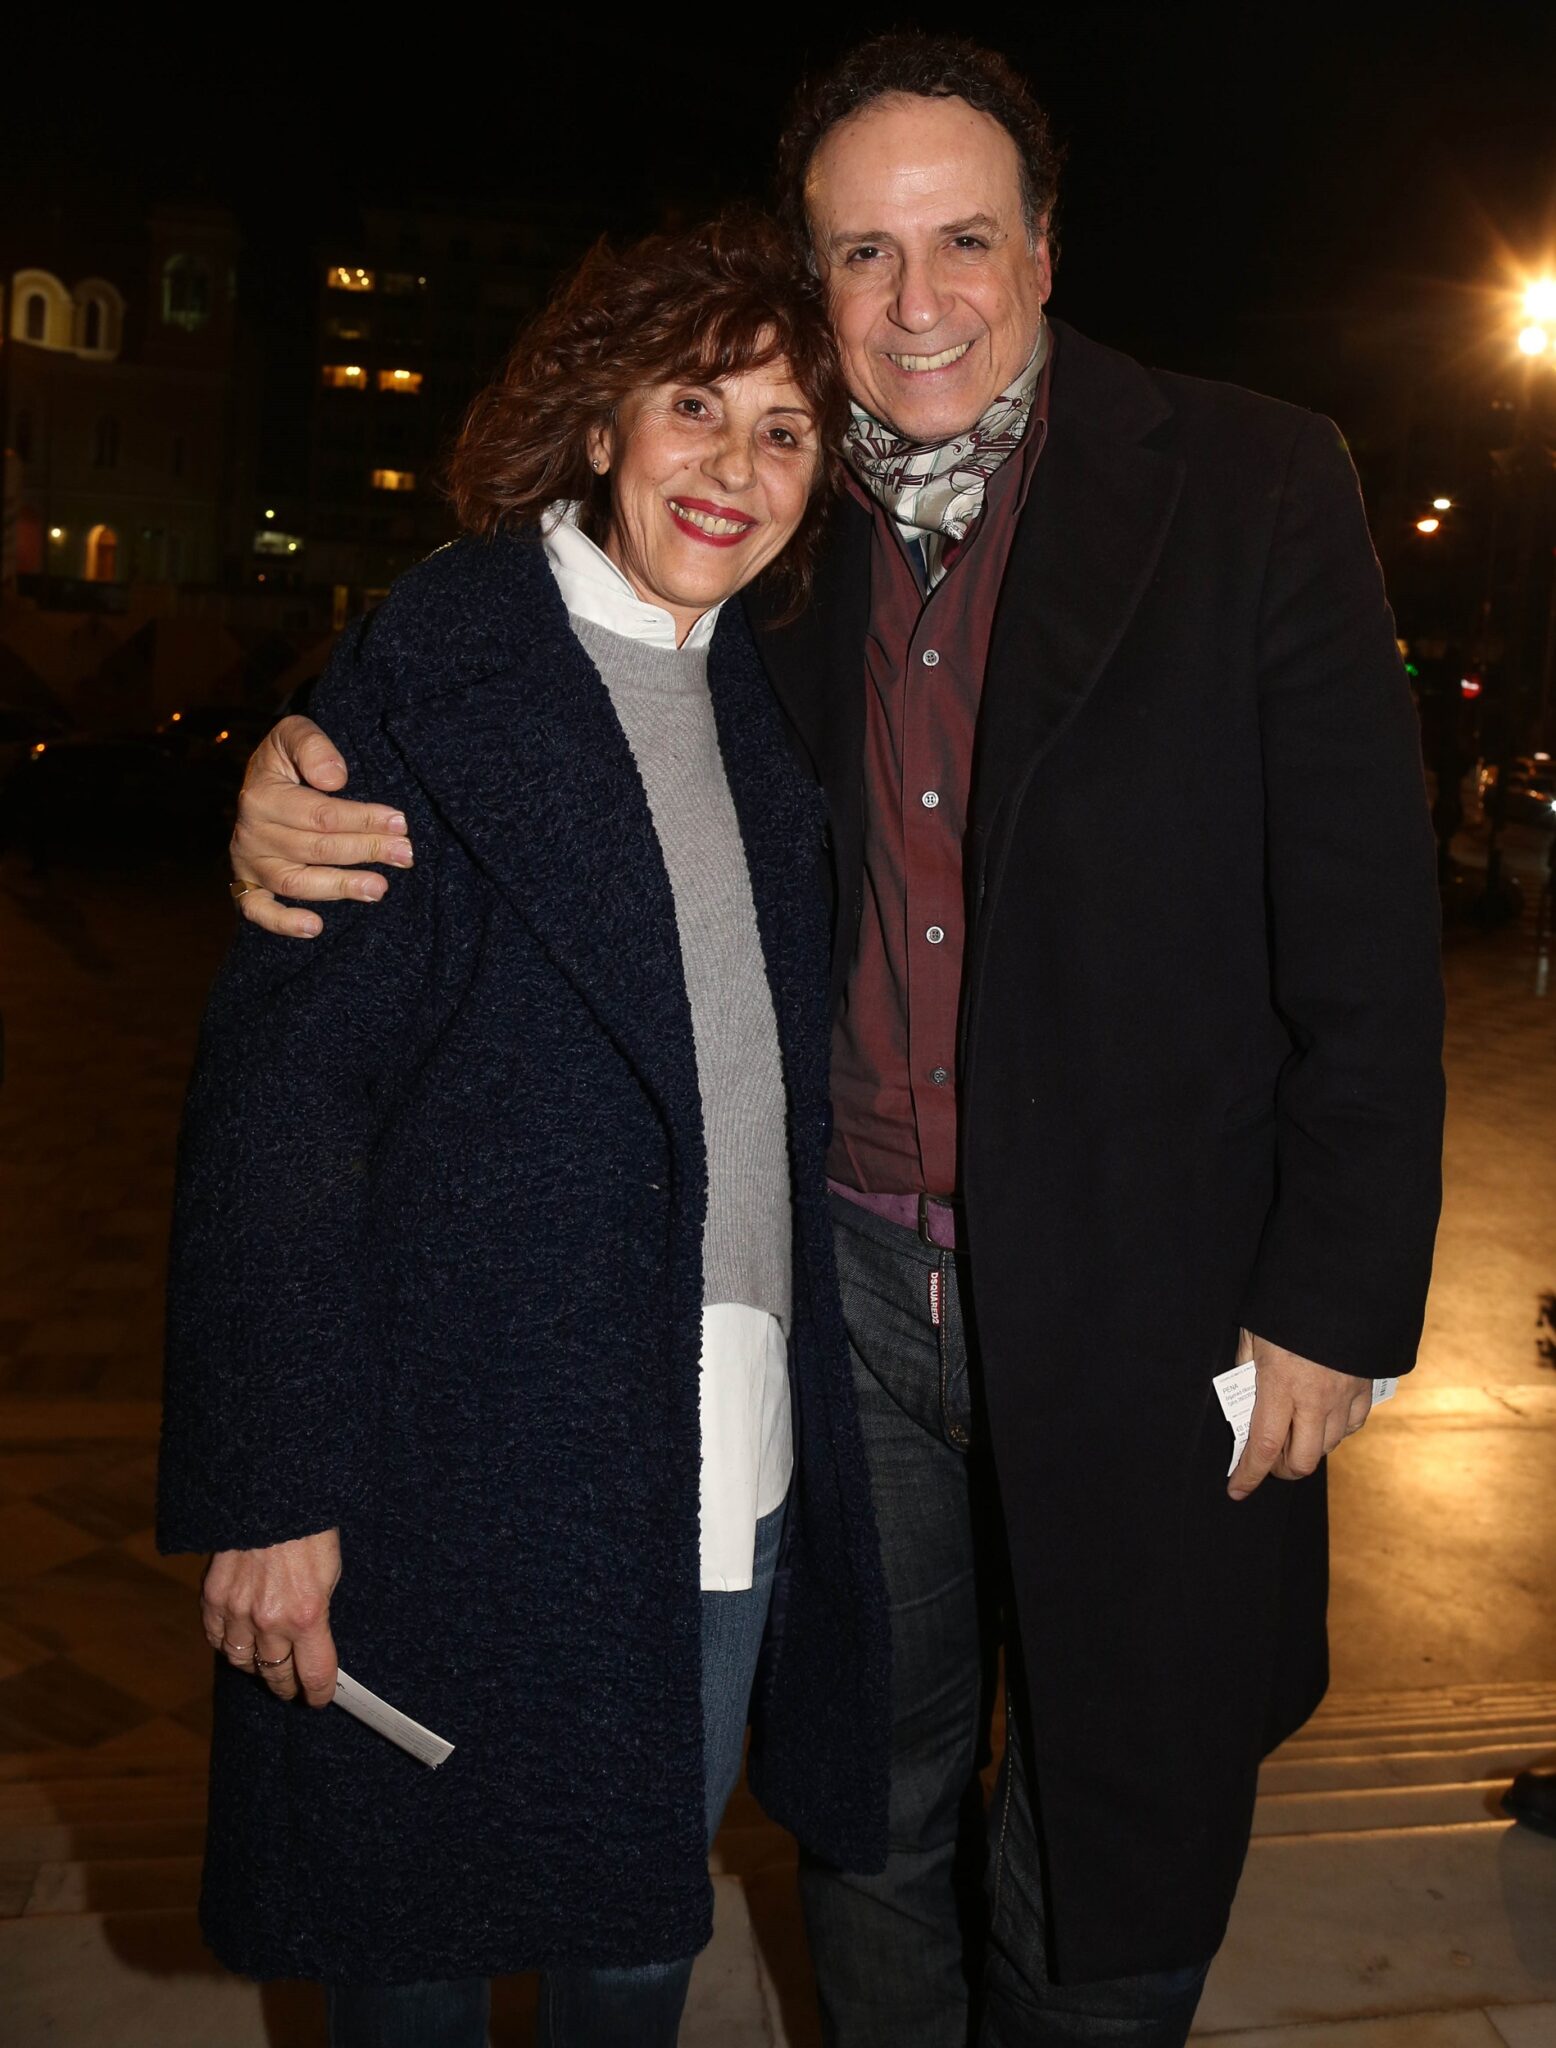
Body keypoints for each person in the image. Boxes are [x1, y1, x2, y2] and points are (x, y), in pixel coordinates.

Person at [226, 33, 1446, 2048]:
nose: (917, 299)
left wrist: (1335, 1302)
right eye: (863, 253)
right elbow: (539, 679)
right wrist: (295, 763)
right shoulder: (774, 536)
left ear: (1044, 251)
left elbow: (1368, 940)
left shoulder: (1252, 481)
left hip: (1157, 1298)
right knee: (867, 1797)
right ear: (813, 280)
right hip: (846, 1289)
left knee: (1122, 1803)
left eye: (964, 239)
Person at [157, 214, 891, 2048]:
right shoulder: (438, 666)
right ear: (602, 418)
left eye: (785, 432)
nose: (734, 468)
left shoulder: (768, 694)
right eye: (694, 405)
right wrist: (270, 1492)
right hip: (460, 1462)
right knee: (410, 1944)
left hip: (724, 1450)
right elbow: (281, 1106)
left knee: (635, 1943)